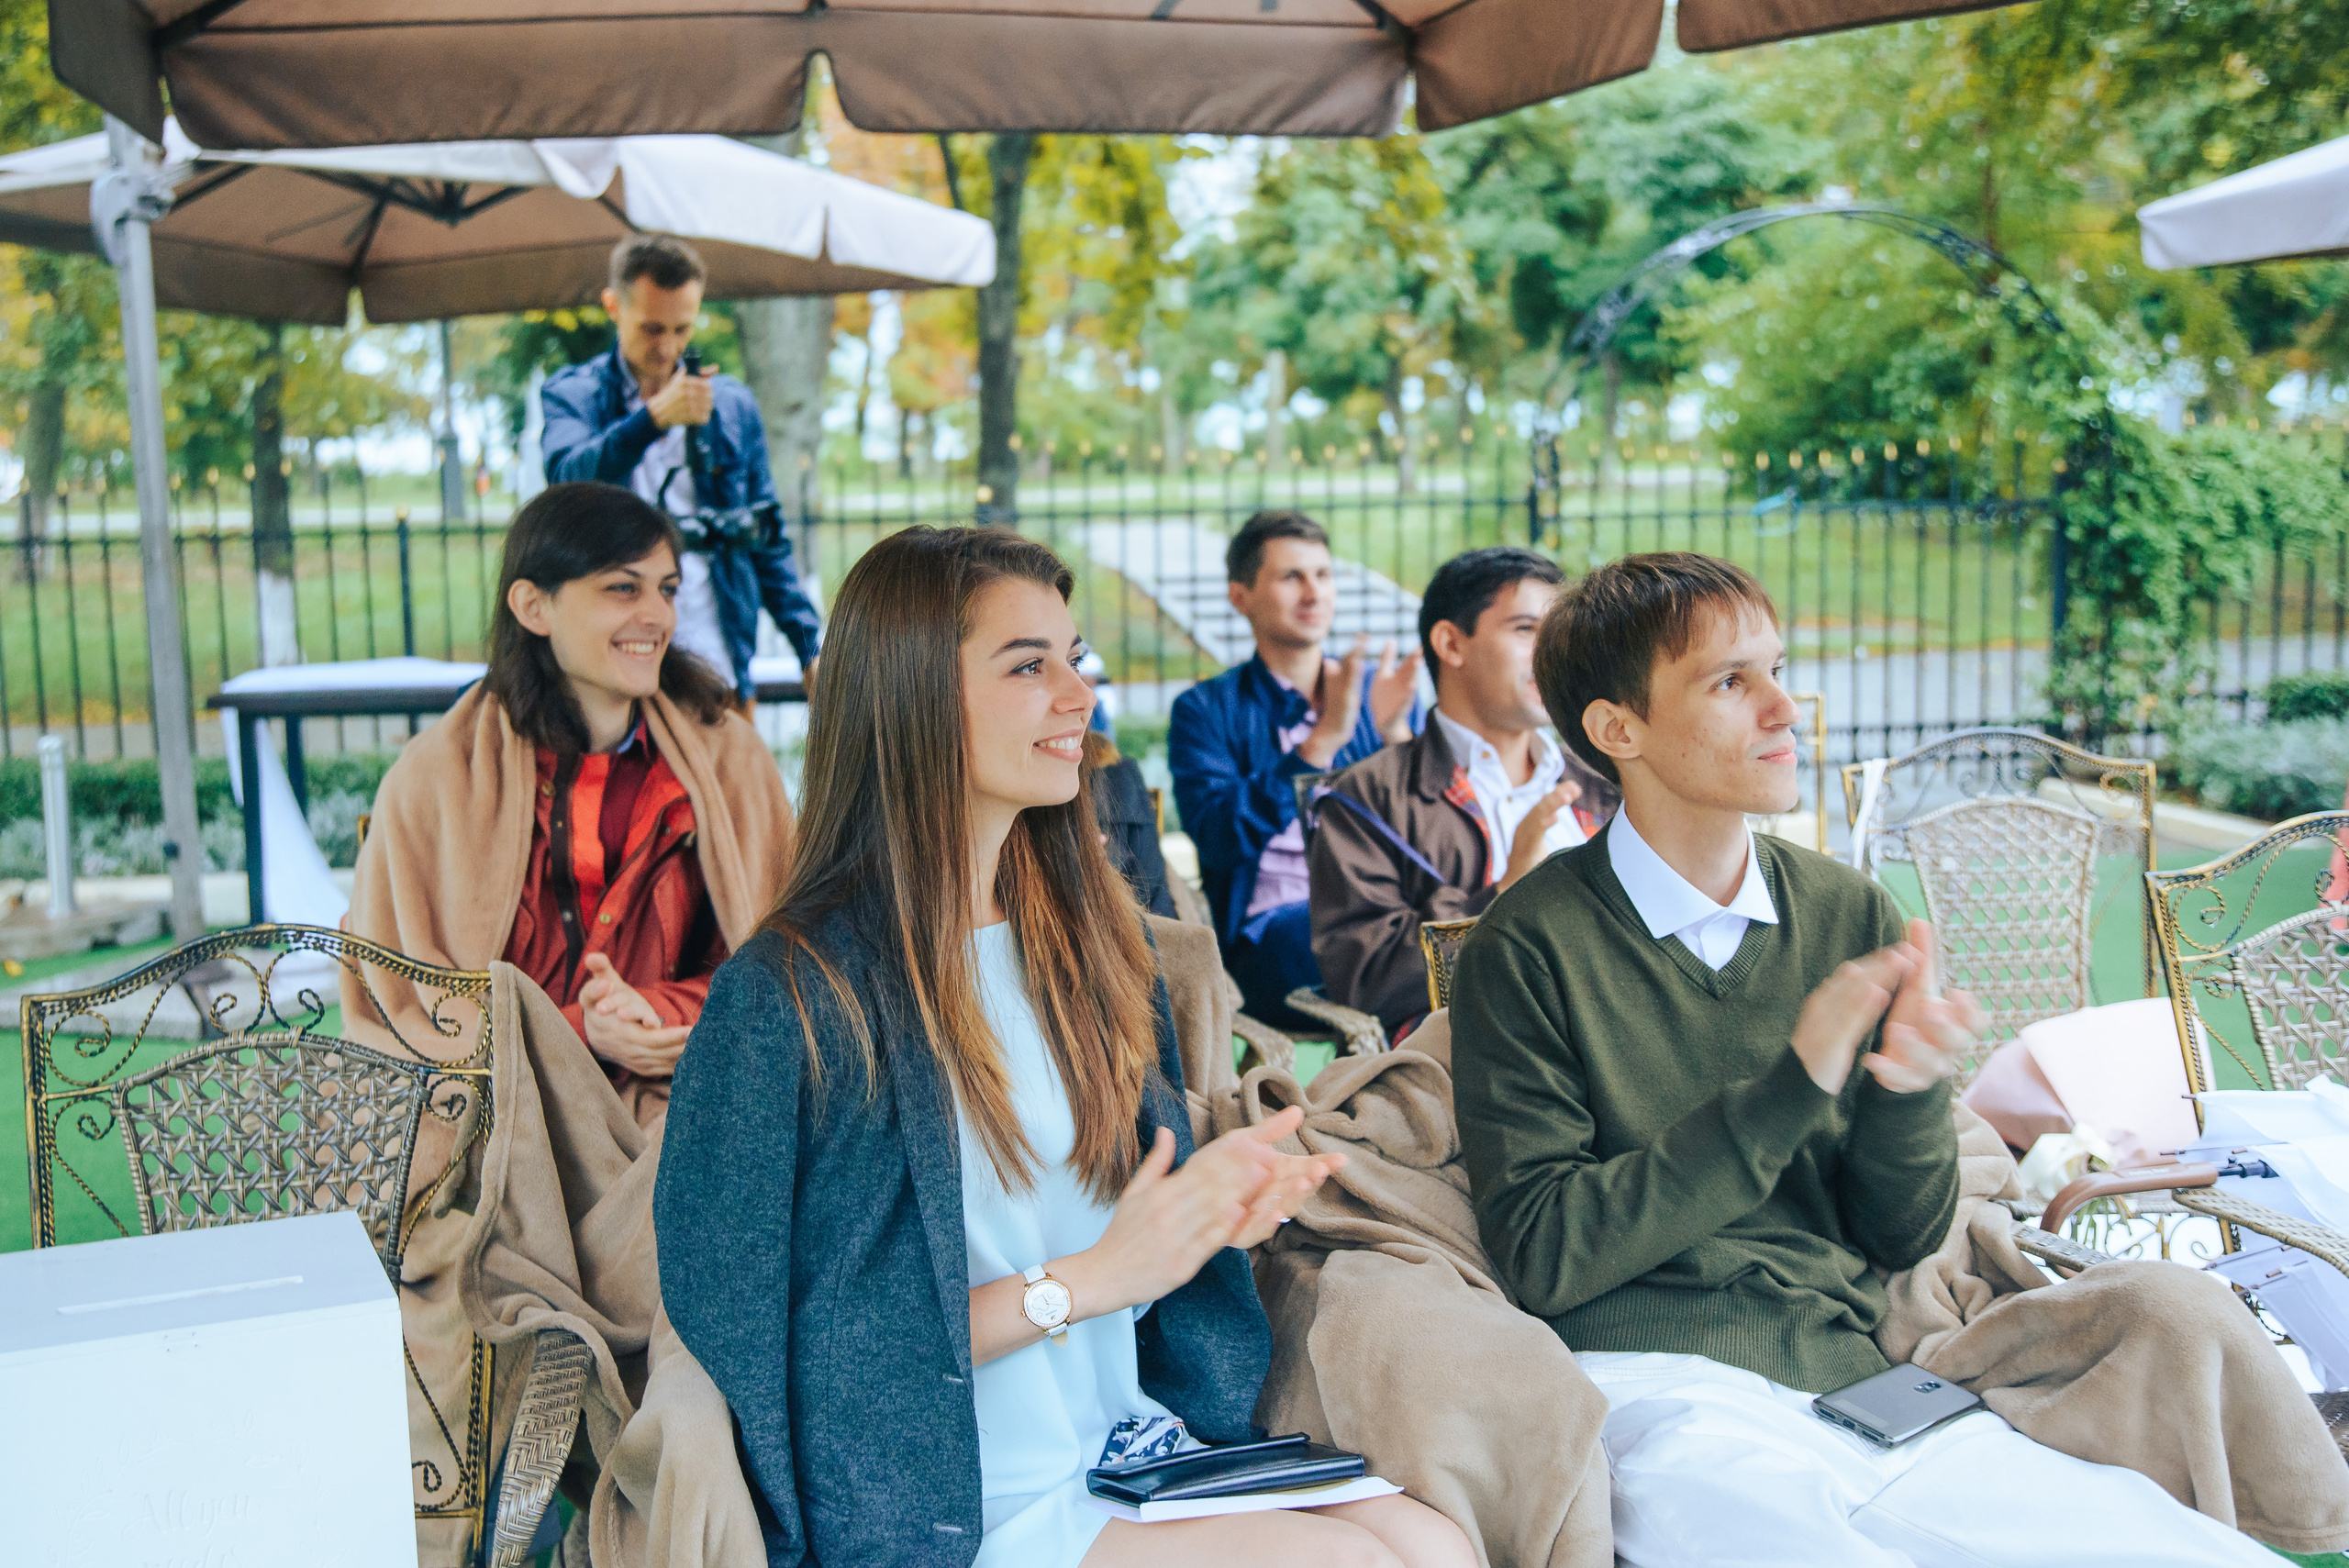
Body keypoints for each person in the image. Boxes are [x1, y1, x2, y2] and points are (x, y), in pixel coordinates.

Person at [1446, 551, 2288, 1568]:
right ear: (1617, 729)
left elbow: (1898, 1233)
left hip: (1859, 1378)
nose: (1784, 709)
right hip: (1654, 1390)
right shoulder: (1525, 946)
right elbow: (1542, 1254)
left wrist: (1906, 1091)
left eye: (1776, 669)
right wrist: (1792, 1084)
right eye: (1730, 681)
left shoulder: (1850, 914)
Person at [656, 526, 1473, 1568]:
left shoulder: (1092, 947)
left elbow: (1128, 1257)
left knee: (1434, 1541)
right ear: (912, 694)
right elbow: (791, 1354)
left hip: (1125, 1449)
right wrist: (1088, 1278)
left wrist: (1203, 1216)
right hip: (961, 1495)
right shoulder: (792, 997)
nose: (1079, 695)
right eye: (1027, 665)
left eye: (1073, 658)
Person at [346, 482, 794, 1127]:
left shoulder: (730, 761)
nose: (658, 616)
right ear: (533, 606)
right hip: (490, 1115)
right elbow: (403, 1004)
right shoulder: (434, 779)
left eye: (667, 590)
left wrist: (656, 1012)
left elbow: (776, 966)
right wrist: (583, 1031)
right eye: (623, 588)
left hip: (682, 1093)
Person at [1308, 547, 1616, 1037]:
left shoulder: (1606, 782)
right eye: (1526, 629)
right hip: (1478, 1052)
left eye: (1559, 633)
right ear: (1451, 644)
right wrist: (1504, 895)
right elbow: (1366, 980)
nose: (1553, 652)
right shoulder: (1367, 798)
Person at [540, 233, 822, 707]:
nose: (668, 347)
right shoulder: (572, 393)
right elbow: (567, 480)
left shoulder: (731, 406)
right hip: (613, 667)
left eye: (682, 329)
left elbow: (763, 535)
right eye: (652, 329)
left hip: (718, 658)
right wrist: (651, 420)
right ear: (613, 306)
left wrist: (809, 644)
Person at [1169, 510, 1419, 1029]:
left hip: (1385, 909)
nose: (1313, 593)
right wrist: (1320, 743)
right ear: (1240, 597)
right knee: (1392, 939)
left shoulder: (1377, 694)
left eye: (1323, 575)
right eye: (1291, 577)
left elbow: (1427, 832)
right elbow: (1218, 838)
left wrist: (1397, 733)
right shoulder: (1205, 709)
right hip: (1268, 935)